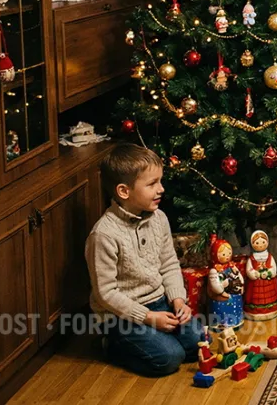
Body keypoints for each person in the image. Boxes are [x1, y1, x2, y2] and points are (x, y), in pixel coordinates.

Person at [85, 143, 204, 377]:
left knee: (198, 342)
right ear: (123, 191)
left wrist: (178, 300)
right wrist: (148, 318)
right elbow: (106, 294)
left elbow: (169, 264)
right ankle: (113, 345)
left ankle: (159, 338)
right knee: (170, 359)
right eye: (152, 184)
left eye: (160, 181)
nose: (161, 189)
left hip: (159, 302)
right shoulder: (104, 235)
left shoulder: (159, 218)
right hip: (121, 315)